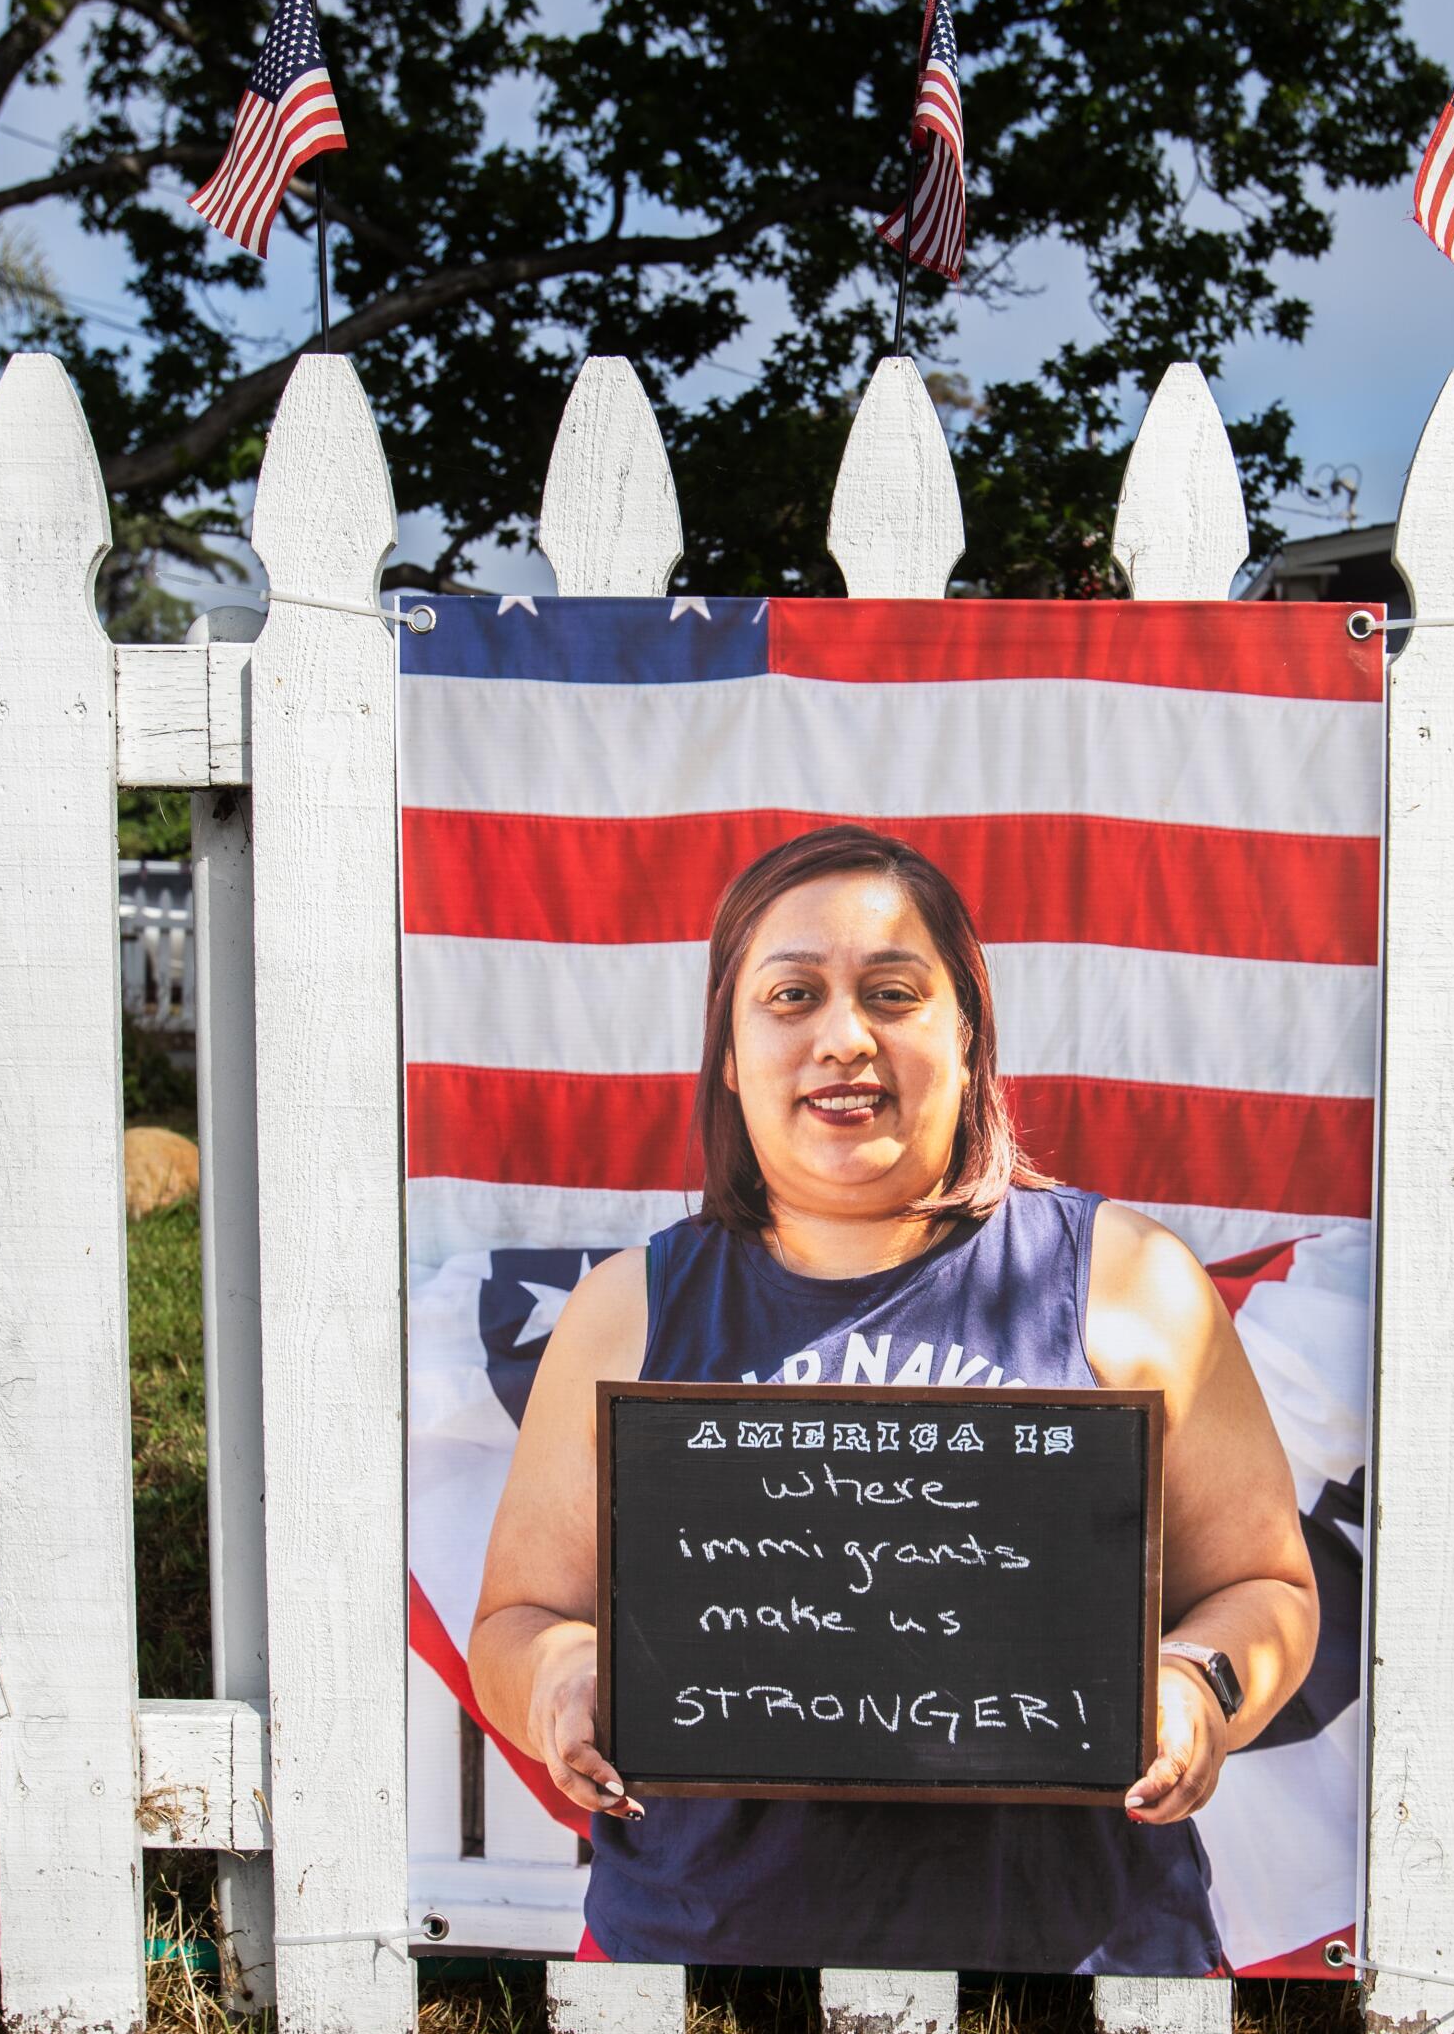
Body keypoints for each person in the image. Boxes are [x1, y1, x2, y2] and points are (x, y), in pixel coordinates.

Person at [468, 824, 1317, 1971]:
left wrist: (1195, 1685)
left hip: (1077, 1971)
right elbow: (517, 1624)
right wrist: (563, 1679)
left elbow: (1263, 1586)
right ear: (728, 1049)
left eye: (892, 993)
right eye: (791, 996)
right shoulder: (629, 1310)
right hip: (698, 1968)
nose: (843, 1039)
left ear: (966, 1037)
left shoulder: (1126, 1279)